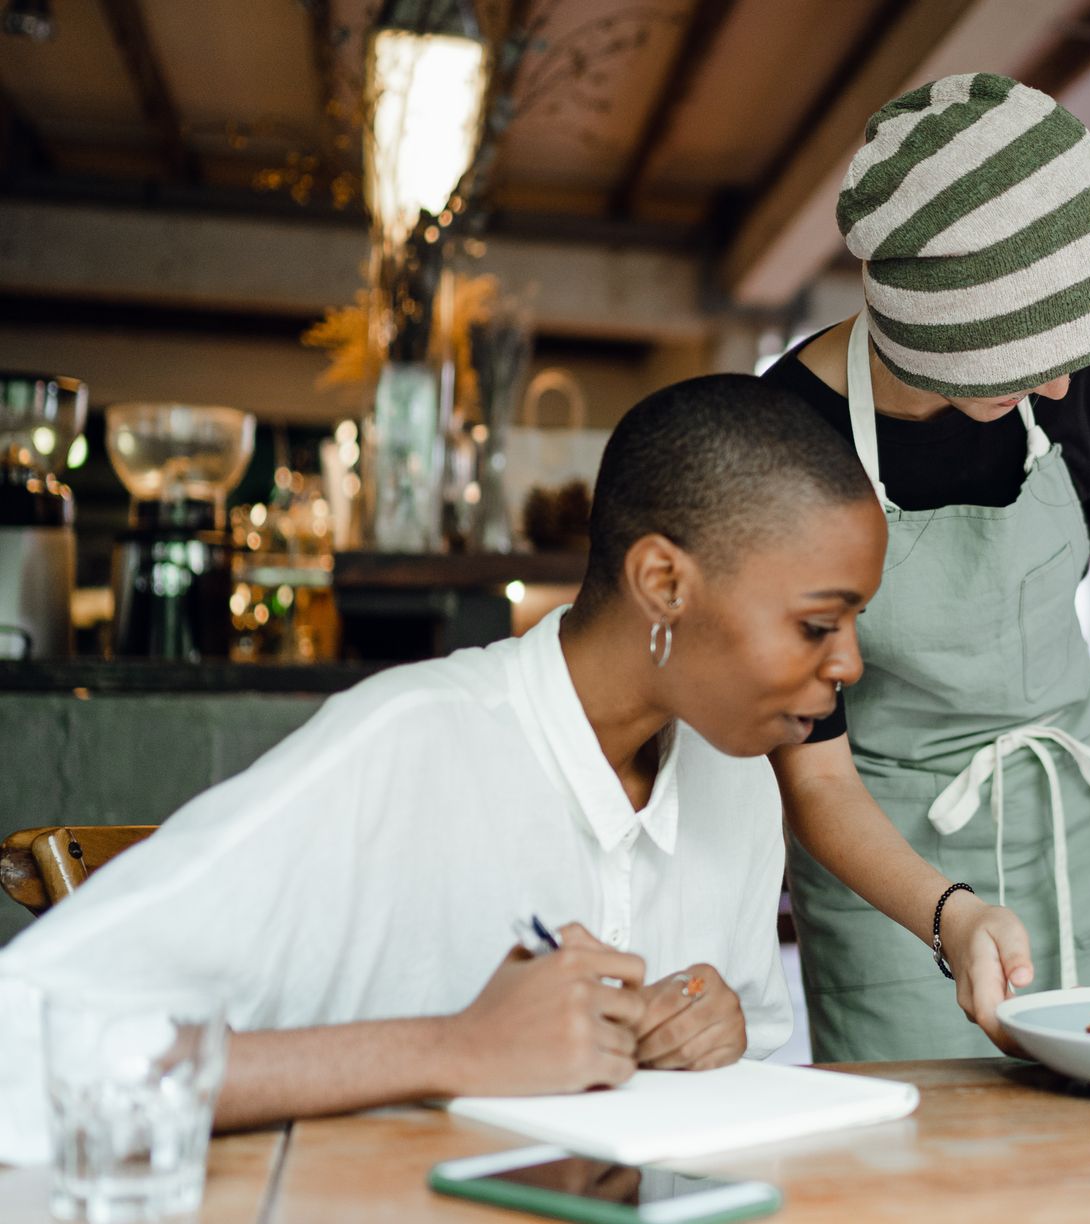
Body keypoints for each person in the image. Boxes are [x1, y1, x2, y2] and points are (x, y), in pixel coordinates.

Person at [0, 376, 895, 1161]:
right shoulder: (402, 746)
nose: (850, 663)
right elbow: (25, 1046)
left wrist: (714, 1031)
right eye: (820, 624)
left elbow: (733, 1052)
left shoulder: (733, 769)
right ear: (663, 582)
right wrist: (452, 1048)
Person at [760, 72, 1090, 1062]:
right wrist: (944, 910)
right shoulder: (779, 450)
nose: (1063, 382)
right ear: (929, 326)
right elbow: (811, 773)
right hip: (891, 850)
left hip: (1087, 823)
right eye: (1024, 355)